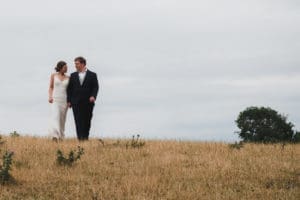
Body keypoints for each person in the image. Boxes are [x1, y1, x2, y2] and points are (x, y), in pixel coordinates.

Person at [67, 56, 99, 141]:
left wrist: (93, 96)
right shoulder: (73, 75)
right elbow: (69, 89)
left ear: (83, 64)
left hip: (88, 102)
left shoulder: (92, 75)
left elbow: (95, 87)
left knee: (87, 120)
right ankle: (80, 139)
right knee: (78, 120)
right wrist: (69, 101)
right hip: (76, 102)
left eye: (77, 64)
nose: (75, 65)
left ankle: (85, 138)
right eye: (75, 64)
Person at [48, 61, 70, 141]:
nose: (67, 68)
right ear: (60, 68)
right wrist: (50, 96)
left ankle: (61, 136)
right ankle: (55, 136)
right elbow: (51, 87)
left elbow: (70, 91)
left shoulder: (69, 78)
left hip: (64, 100)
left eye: (66, 67)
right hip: (55, 99)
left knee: (62, 119)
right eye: (65, 67)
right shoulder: (53, 76)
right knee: (55, 116)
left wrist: (69, 101)